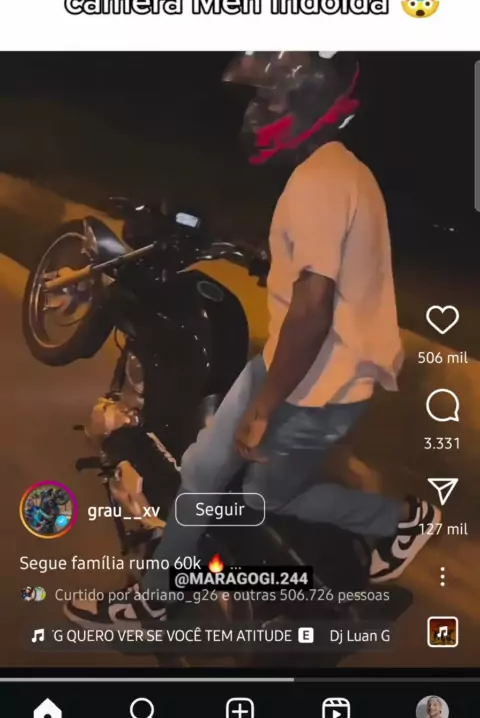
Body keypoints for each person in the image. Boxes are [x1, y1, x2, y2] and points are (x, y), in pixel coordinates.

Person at [65, 51, 441, 628]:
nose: (260, 111)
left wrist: (264, 408)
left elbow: (312, 310)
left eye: (271, 97)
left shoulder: (320, 184)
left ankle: (400, 520)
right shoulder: (336, 171)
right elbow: (322, 270)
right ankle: (156, 597)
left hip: (323, 381)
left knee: (263, 497)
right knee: (202, 470)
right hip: (295, 363)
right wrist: (272, 264)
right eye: (259, 97)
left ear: (312, 102)